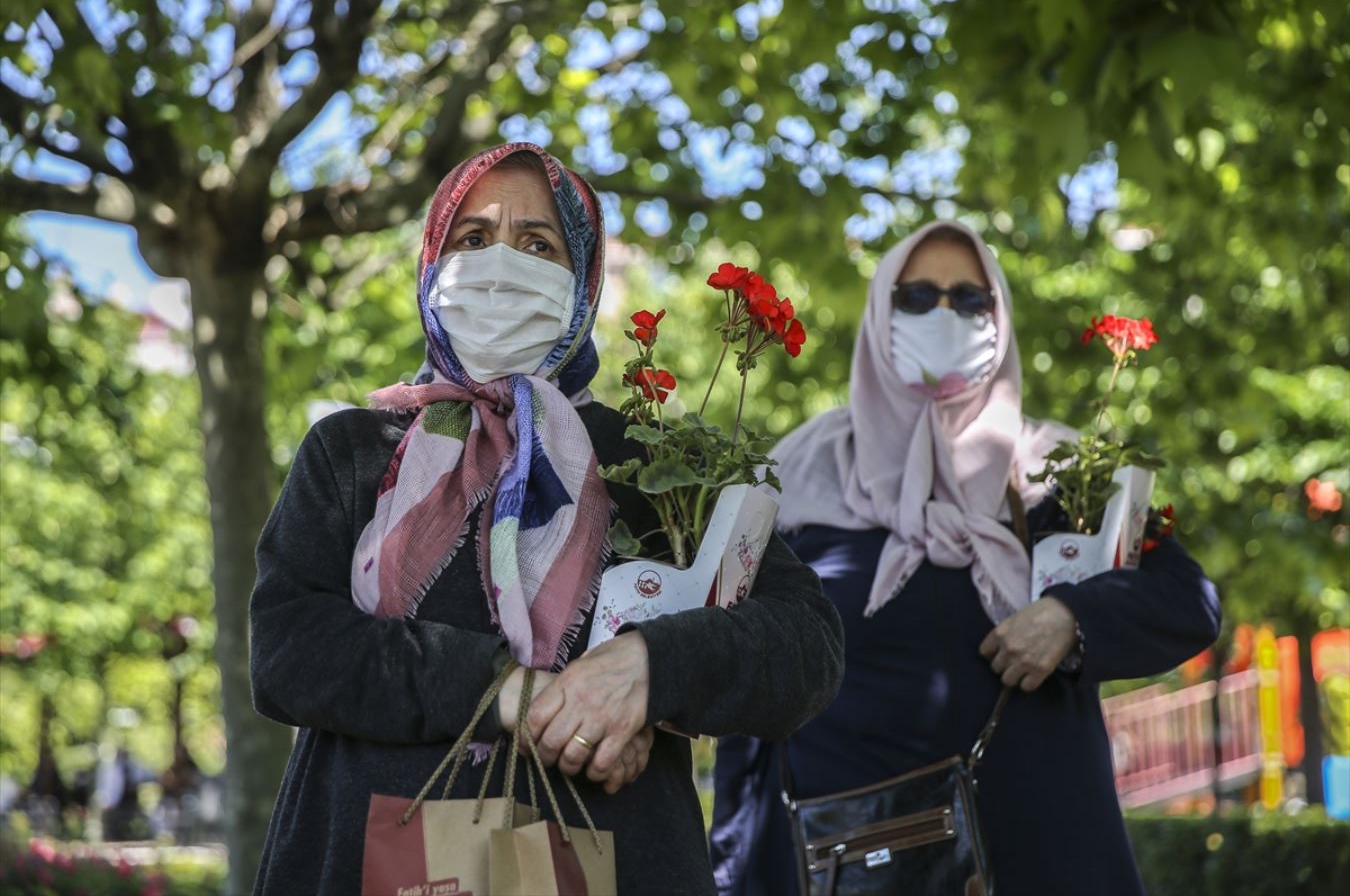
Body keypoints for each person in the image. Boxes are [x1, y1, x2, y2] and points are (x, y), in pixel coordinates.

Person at [248, 142, 844, 895]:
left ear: (582, 280)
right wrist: (506, 694)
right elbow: (286, 652)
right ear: (433, 265)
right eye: (473, 238)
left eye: (538, 243)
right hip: (361, 859)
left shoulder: (654, 466)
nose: (502, 264)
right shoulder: (354, 452)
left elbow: (809, 646)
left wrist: (653, 667)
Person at [710, 221, 1221, 896]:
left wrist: (1073, 615)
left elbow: (1189, 601)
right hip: (840, 862)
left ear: (1000, 315)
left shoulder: (1061, 472)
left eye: (970, 299)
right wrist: (729, 866)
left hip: (1039, 857)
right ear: (879, 313)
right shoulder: (801, 473)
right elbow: (746, 684)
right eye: (916, 297)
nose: (944, 314)